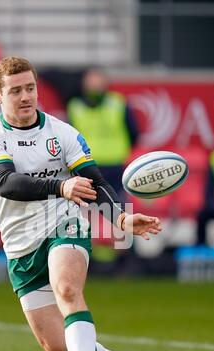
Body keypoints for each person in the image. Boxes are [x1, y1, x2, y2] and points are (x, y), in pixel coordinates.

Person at [0, 57, 163, 351]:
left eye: (30, 88)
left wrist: (120, 219)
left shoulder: (62, 133)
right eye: (16, 91)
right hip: (20, 243)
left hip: (65, 224)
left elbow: (97, 181)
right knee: (57, 350)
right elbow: (6, 183)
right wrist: (61, 184)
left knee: (67, 290)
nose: (26, 96)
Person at [67, 68, 139, 269]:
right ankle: (89, 259)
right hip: (87, 167)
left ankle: (124, 261)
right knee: (86, 214)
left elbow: (134, 133)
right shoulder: (75, 107)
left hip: (116, 167)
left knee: (120, 211)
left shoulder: (118, 104)